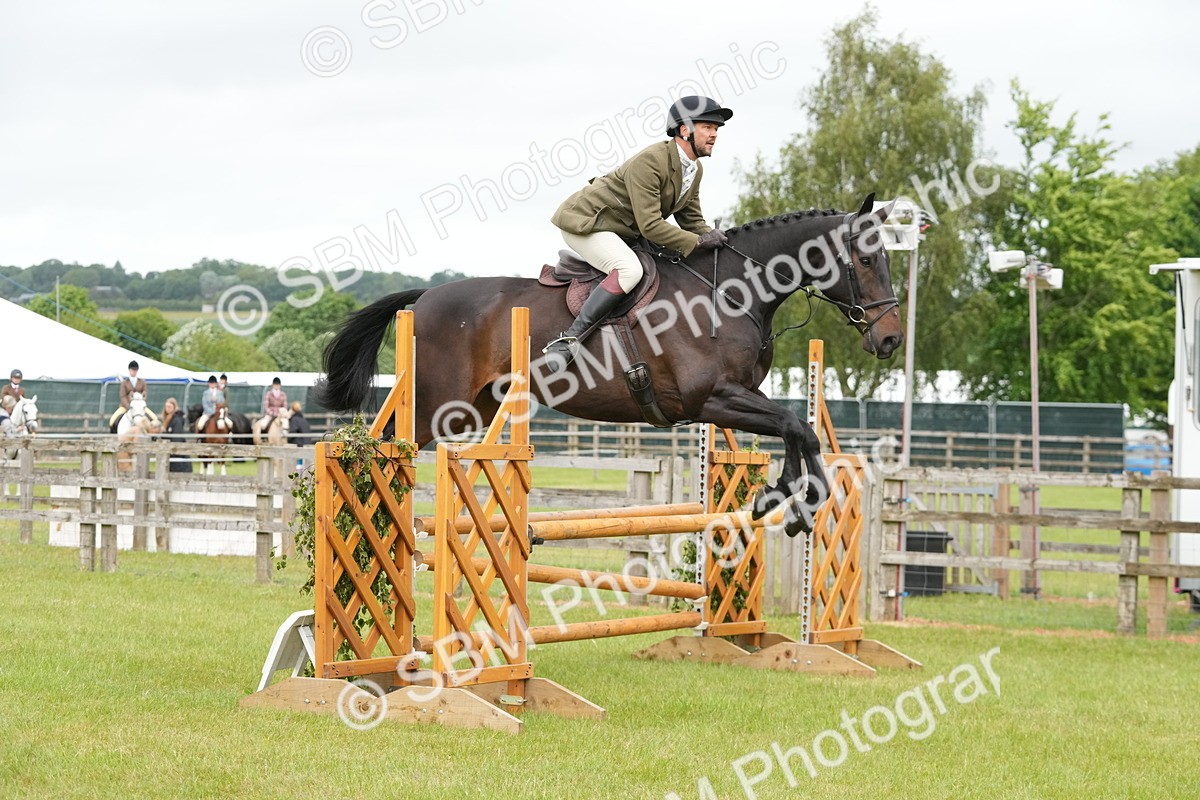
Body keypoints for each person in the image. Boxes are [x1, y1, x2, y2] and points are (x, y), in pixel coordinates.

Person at [543, 95, 733, 371]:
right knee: (630, 270)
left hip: (622, 229)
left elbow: (691, 221)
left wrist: (723, 241)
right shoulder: (651, 161)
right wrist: (699, 241)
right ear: (684, 130)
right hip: (587, 223)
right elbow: (651, 226)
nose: (714, 134)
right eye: (707, 127)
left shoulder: (694, 169)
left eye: (716, 129)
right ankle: (569, 338)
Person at [110, 360, 148, 428]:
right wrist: (128, 405)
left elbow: (145, 394)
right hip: (126, 406)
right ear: (129, 370)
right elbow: (123, 396)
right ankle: (114, 431)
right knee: (113, 419)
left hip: (139, 407)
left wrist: (141, 404)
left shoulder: (142, 382)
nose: (134, 371)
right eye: (132, 370)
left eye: (135, 370)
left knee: (153, 417)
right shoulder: (124, 383)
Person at [159, 397, 193, 473]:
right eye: (166, 407)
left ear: (174, 407)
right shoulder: (167, 420)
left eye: (169, 407)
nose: (167, 409)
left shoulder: (176, 421)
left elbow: (177, 438)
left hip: (178, 455)